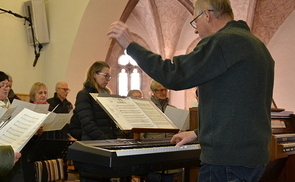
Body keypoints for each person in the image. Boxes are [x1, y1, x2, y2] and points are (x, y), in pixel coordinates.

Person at [108, 0, 275, 181]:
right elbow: (238, 106)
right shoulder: (257, 46)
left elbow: (173, 74)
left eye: (196, 21)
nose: (196, 30)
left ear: (207, 14)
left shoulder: (223, 41)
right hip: (252, 157)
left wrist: (130, 46)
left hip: (227, 160)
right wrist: (198, 133)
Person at [69, 61, 128, 182]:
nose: (108, 79)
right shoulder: (84, 95)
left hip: (106, 148)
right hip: (93, 149)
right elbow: (88, 124)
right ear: (94, 74)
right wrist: (108, 141)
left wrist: (121, 136)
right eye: (105, 75)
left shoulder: (106, 96)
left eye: (109, 76)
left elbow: (111, 124)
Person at [0, 71, 23, 181]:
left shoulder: (10, 104)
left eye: (7, 86)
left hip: (12, 149)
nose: (6, 89)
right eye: (2, 85)